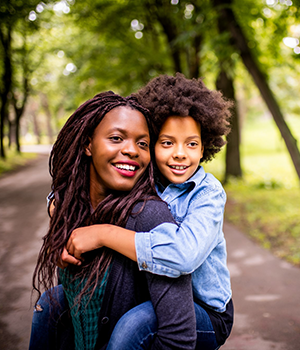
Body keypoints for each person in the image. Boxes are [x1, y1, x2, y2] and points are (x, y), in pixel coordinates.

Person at [62, 73, 234, 350]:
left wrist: (104, 234)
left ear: (204, 148)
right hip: (157, 296)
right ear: (152, 145)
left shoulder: (208, 194)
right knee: (55, 305)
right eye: (167, 143)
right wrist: (64, 227)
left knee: (137, 323)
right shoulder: (146, 179)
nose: (180, 153)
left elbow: (182, 255)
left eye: (191, 143)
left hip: (207, 313)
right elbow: (78, 191)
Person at [30, 91, 197, 350]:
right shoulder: (72, 210)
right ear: (88, 144)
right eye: (116, 138)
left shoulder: (149, 217)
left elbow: (179, 338)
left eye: (143, 143)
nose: (131, 150)